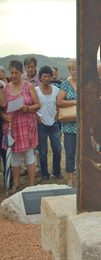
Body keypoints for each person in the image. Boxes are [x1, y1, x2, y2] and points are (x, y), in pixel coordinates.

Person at [1, 60, 40, 193]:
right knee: (15, 156)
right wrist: (5, 116)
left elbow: (37, 105)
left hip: (26, 124)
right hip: (12, 126)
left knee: (29, 154)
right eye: (11, 73)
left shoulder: (28, 86)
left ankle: (31, 184)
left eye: (16, 73)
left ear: (21, 72)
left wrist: (27, 108)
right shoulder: (6, 88)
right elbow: (1, 107)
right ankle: (16, 184)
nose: (14, 75)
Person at [35, 66, 63, 182]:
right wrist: (37, 118)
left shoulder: (56, 90)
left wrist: (57, 116)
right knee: (43, 151)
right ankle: (44, 174)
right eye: (44, 76)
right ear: (40, 77)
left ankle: (56, 171)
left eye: (48, 76)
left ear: (51, 77)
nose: (46, 78)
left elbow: (59, 104)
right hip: (41, 123)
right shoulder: (36, 90)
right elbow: (34, 105)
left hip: (53, 123)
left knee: (57, 148)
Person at [57, 58, 77, 187]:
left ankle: (83, 176)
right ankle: (70, 178)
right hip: (69, 125)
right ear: (69, 70)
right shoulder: (65, 84)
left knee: (84, 152)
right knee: (70, 152)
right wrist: (75, 102)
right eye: (72, 69)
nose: (75, 71)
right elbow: (59, 101)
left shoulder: (85, 82)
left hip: (83, 124)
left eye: (76, 68)